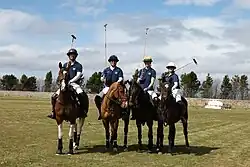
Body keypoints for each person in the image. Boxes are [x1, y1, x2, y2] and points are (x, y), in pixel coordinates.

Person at [47, 48, 85, 119]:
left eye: (73, 55)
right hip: (65, 84)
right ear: (69, 56)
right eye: (71, 55)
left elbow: (78, 75)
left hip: (74, 84)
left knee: (81, 94)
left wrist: (71, 81)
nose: (72, 56)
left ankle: (82, 111)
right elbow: (62, 73)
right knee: (53, 96)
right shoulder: (65, 65)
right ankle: (53, 112)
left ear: (75, 56)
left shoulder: (78, 65)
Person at [94, 55, 125, 120]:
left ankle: (122, 112)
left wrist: (116, 84)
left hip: (116, 88)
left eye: (115, 61)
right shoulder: (106, 70)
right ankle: (100, 112)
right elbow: (102, 77)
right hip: (107, 87)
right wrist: (102, 79)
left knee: (122, 98)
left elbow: (120, 78)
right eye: (112, 61)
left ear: (116, 62)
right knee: (97, 97)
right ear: (110, 62)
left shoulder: (119, 70)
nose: (113, 62)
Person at [131, 56, 158, 120]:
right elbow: (137, 82)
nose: (147, 63)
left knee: (155, 98)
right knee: (133, 99)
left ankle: (156, 114)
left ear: (150, 63)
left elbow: (152, 82)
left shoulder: (152, 71)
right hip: (141, 90)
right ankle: (133, 114)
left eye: (148, 62)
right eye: (146, 62)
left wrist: (148, 88)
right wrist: (140, 78)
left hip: (149, 90)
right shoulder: (141, 71)